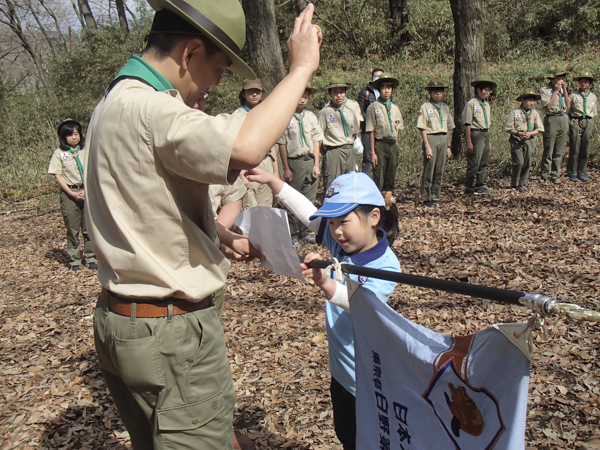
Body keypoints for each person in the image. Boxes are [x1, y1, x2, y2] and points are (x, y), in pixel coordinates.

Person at [84, 0, 321, 448]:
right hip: (170, 335)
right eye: (219, 68)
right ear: (191, 52)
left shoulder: (110, 103)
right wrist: (301, 69)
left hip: (121, 322)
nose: (215, 83)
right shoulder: (150, 109)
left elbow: (144, 206)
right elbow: (248, 146)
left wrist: (214, 233)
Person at [245, 168, 400, 450]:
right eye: (332, 222)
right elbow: (308, 213)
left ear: (373, 217)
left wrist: (326, 283)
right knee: (347, 435)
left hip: (366, 378)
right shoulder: (344, 244)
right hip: (341, 370)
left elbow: (360, 302)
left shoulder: (386, 266)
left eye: (344, 221)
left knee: (369, 440)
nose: (336, 230)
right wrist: (275, 183)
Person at [47, 119, 97, 271]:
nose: (74, 137)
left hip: (87, 191)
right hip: (70, 193)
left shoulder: (85, 150)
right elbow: (57, 175)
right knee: (72, 228)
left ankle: (90, 257)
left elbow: (93, 169)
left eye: (76, 134)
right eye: (70, 135)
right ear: (63, 137)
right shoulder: (59, 153)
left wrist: (87, 191)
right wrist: (72, 194)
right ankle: (75, 260)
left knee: (88, 227)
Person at [277, 84, 323, 247]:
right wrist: (286, 167)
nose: (302, 99)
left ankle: (305, 231)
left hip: (309, 161)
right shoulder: (286, 116)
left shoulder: (311, 116)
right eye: (300, 95)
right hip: (294, 162)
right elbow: (282, 143)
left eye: (305, 96)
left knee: (308, 200)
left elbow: (317, 140)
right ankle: (292, 234)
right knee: (291, 199)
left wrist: (316, 164)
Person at [234, 78, 280, 208]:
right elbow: (233, 145)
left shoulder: (267, 114)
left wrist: (275, 171)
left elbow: (272, 145)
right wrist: (240, 173)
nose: (254, 94)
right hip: (246, 163)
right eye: (250, 92)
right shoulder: (238, 115)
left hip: (266, 162)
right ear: (244, 94)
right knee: (250, 206)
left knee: (266, 206)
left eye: (257, 91)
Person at [417, 77, 454, 207]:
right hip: (431, 137)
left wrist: (449, 145)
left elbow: (449, 128)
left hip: (443, 138)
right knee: (429, 168)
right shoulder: (426, 107)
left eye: (440, 91)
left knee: (439, 169)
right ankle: (427, 196)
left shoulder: (445, 108)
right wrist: (427, 145)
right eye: (435, 91)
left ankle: (436, 195)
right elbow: (422, 127)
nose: (438, 93)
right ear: (430, 92)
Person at [318, 76, 360, 188]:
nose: (338, 95)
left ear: (345, 93)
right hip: (334, 152)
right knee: (333, 185)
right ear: (330, 94)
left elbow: (354, 133)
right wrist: (327, 154)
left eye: (341, 92)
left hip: (349, 151)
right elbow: (318, 139)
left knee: (350, 184)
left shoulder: (351, 112)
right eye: (335, 92)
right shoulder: (324, 113)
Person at [365, 73, 404, 192]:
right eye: (384, 88)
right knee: (379, 176)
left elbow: (397, 129)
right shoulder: (373, 107)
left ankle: (389, 203)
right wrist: (372, 152)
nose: (386, 91)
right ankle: (378, 204)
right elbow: (371, 131)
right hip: (380, 145)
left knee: (391, 176)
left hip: (392, 145)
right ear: (379, 89)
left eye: (389, 88)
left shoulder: (395, 108)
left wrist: (396, 147)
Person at [504, 89, 544, 191]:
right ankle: (514, 183)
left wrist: (530, 134)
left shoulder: (535, 113)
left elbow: (540, 129)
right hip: (517, 139)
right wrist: (519, 133)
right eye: (529, 100)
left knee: (527, 161)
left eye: (533, 101)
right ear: (523, 100)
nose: (531, 103)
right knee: (518, 162)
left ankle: (523, 183)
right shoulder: (515, 112)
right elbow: (508, 128)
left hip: (529, 139)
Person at [462, 75, 495, 196]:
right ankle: (469, 187)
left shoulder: (487, 105)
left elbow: (487, 124)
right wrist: (469, 141)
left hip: (485, 133)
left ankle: (481, 185)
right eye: (485, 90)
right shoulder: (472, 104)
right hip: (476, 133)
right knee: (474, 162)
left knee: (484, 162)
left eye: (489, 90)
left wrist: (489, 141)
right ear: (478, 90)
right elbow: (467, 124)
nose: (487, 92)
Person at [540, 65, 571, 183]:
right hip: (552, 118)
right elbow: (548, 106)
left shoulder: (564, 89)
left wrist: (565, 91)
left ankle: (555, 174)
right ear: (552, 79)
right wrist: (556, 91)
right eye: (558, 78)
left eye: (562, 78)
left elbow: (568, 105)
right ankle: (545, 174)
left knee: (559, 148)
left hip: (563, 117)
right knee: (549, 146)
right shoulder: (545, 90)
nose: (561, 80)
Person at [568, 70, 597, 182]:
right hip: (576, 120)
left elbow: (594, 112)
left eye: (586, 82)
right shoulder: (573, 95)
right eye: (582, 81)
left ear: (590, 83)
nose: (584, 83)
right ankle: (572, 171)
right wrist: (572, 121)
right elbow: (569, 110)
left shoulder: (593, 96)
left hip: (588, 121)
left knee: (585, 146)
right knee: (575, 145)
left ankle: (582, 171)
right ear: (579, 83)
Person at [357, 68, 384, 175]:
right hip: (368, 131)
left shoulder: (386, 92)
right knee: (368, 157)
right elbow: (360, 110)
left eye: (380, 76)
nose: (377, 78)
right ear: (372, 78)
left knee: (380, 157)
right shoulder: (366, 92)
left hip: (381, 131)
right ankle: (366, 180)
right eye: (375, 76)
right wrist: (370, 123)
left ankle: (378, 184)